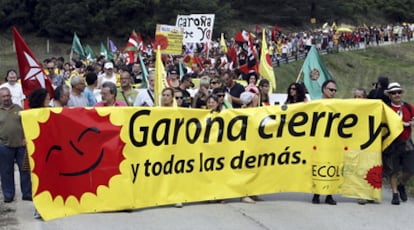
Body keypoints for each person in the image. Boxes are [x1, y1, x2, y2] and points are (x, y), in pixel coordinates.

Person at [383, 82, 414, 205]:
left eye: (398, 92)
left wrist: (410, 123)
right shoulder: (386, 108)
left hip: (406, 142)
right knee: (393, 170)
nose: (397, 94)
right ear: (389, 95)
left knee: (410, 170)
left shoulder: (408, 107)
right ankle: (395, 194)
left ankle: (402, 185)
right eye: (393, 93)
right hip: (392, 143)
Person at [0, 87, 32, 203]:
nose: (6, 98)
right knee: (6, 172)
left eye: (8, 96)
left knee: (25, 170)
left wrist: (25, 137)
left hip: (21, 146)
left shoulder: (18, 108)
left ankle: (27, 193)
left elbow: (26, 123)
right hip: (4, 146)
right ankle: (8, 195)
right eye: (4, 96)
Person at [312, 80, 337, 205]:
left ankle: (329, 195)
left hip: (332, 141)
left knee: (331, 166)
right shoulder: (316, 104)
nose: (333, 92)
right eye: (331, 89)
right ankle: (316, 193)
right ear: (323, 89)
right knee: (318, 166)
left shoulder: (337, 105)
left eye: (334, 90)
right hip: (318, 141)